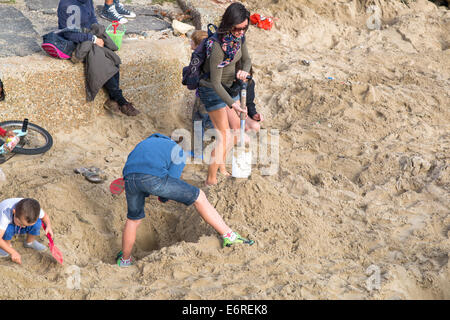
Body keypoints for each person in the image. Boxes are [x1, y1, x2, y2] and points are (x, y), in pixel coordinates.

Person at [116, 133, 254, 267]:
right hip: (153, 178)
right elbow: (172, 179)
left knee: (133, 220)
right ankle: (229, 236)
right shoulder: (177, 150)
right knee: (199, 196)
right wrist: (163, 198)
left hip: (129, 178)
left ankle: (125, 260)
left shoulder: (142, 144)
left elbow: (134, 172)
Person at [197, 2, 252, 185]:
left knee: (237, 129)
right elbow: (214, 82)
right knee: (225, 135)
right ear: (229, 24)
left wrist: (243, 71)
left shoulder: (239, 38)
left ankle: (221, 167)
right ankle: (210, 180)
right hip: (212, 90)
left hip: (229, 87)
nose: (241, 32)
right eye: (237, 29)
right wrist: (233, 104)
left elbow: (247, 60)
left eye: (245, 28)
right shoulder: (217, 46)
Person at [57, 0, 140, 116]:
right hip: (75, 42)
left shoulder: (87, 1)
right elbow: (70, 34)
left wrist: (98, 33)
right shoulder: (68, 5)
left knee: (113, 58)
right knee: (101, 60)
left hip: (89, 36)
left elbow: (92, 20)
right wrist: (93, 39)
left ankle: (112, 100)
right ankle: (121, 101)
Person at [0, 198, 54, 265]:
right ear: (14, 212)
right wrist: (13, 252)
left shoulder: (35, 210)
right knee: (8, 229)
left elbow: (45, 216)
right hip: (7, 223)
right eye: (21, 224)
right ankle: (6, 246)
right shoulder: (5, 214)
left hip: (17, 219)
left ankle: (29, 242)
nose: (23, 227)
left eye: (26, 225)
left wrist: (48, 226)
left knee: (37, 223)